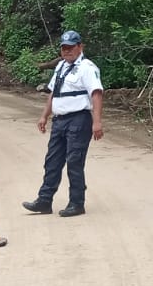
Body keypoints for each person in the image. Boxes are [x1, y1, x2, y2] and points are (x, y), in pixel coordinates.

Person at [23, 30, 104, 217]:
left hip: (79, 119)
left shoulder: (87, 68)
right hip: (59, 120)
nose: (67, 51)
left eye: (71, 47)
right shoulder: (60, 67)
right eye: (64, 48)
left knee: (74, 161)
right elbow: (54, 93)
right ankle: (44, 200)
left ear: (80, 47)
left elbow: (96, 94)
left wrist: (97, 122)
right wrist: (44, 116)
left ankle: (77, 203)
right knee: (52, 161)